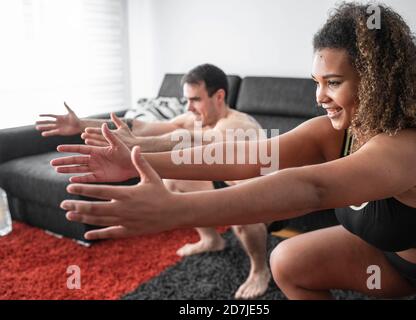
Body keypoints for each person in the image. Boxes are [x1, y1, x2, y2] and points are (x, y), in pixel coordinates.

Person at [50, 3, 416, 300]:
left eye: (333, 82)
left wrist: (172, 210)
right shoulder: (340, 130)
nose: (319, 96)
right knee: (288, 262)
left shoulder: (410, 148)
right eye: (316, 81)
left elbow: (312, 188)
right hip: (386, 256)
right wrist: (135, 162)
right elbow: (254, 155)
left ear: (377, 83)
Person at [37, 64, 271, 300]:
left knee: (240, 212)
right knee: (174, 177)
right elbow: (140, 126)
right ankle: (211, 240)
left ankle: (260, 270)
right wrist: (81, 124)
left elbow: (189, 141)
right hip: (225, 184)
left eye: (195, 100)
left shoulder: (238, 125)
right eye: (186, 100)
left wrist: (134, 147)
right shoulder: (194, 118)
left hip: (268, 199)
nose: (189, 107)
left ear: (219, 96)